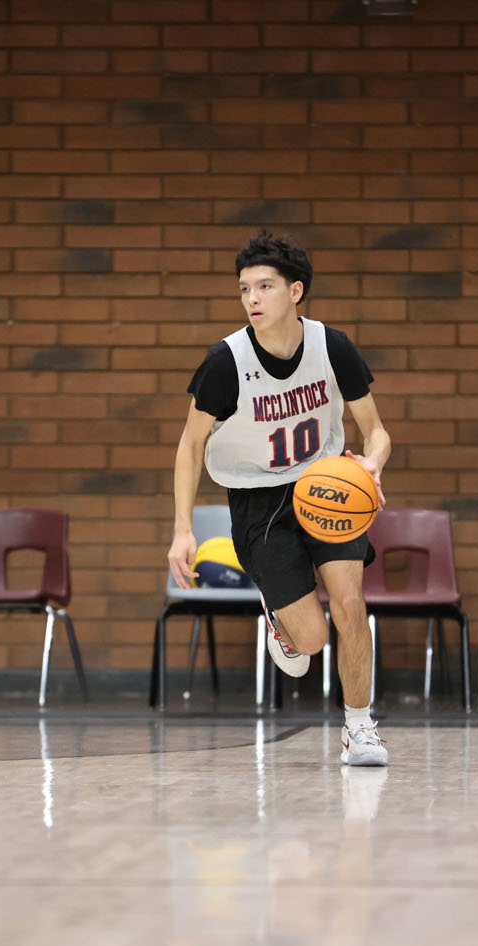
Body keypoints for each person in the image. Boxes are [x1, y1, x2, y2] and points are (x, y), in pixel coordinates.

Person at [168, 232, 392, 766]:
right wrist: (182, 529)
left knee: (350, 604)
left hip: (325, 487)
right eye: (245, 288)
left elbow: (376, 430)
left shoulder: (331, 347)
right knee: (311, 642)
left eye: (264, 286)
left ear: (296, 291)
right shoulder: (226, 361)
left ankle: (360, 728)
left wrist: (372, 463)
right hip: (257, 500)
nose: (252, 298)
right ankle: (281, 618)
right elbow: (190, 444)